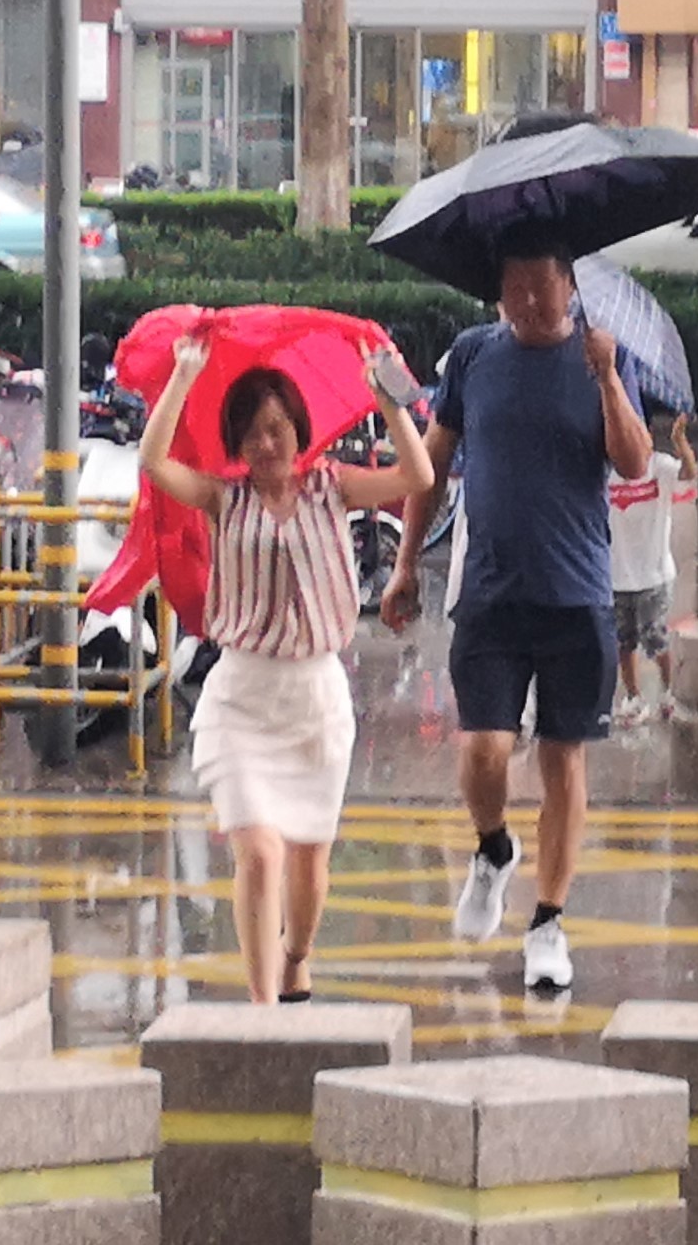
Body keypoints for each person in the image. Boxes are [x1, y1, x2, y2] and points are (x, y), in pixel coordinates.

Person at [384, 230, 652, 993]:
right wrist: (406, 564)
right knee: (483, 750)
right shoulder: (473, 355)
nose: (529, 301)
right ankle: (492, 848)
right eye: (513, 288)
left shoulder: (602, 356)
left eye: (542, 284)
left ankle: (547, 921)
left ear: (570, 285)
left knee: (563, 758)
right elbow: (429, 464)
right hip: (490, 592)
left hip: (576, 595)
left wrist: (605, 378)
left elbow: (632, 461)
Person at [141, 333, 434, 1002]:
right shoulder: (224, 498)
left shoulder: (332, 487)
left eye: (275, 428)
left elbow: (416, 476)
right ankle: (262, 1003)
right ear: (236, 444)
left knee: (307, 858)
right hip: (240, 695)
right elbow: (154, 460)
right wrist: (183, 377)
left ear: (297, 430)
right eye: (250, 433)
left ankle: (296, 952)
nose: (265, 443)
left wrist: (387, 401)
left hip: (314, 701)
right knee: (260, 852)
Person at [610, 414, 698, 721]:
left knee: (656, 637)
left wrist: (680, 443)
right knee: (623, 642)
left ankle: (669, 691)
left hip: (654, 574)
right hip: (616, 575)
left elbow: (688, 472)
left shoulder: (659, 467)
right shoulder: (606, 472)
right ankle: (633, 697)